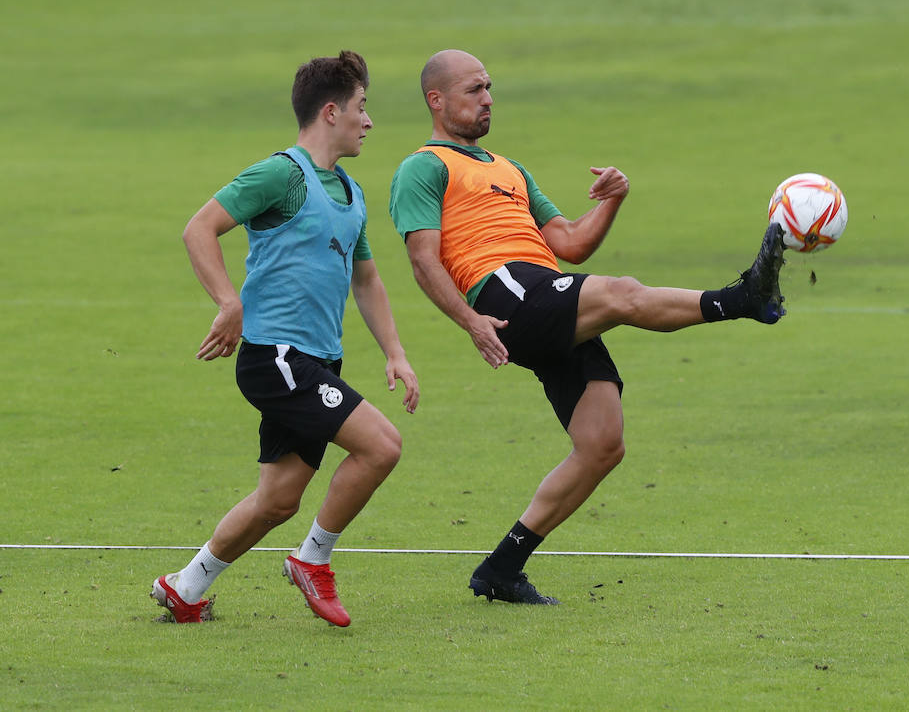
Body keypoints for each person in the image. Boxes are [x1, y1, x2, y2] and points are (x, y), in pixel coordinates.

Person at [389, 49, 785, 605]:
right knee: (622, 292)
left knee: (602, 444)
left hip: (543, 290)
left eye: (489, 88)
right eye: (474, 90)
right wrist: (470, 322)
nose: (487, 99)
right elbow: (423, 261)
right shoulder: (422, 168)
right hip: (506, 292)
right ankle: (742, 299)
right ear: (437, 100)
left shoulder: (510, 169)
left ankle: (502, 569)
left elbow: (570, 242)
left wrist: (614, 200)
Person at [151, 50, 419, 626]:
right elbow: (199, 228)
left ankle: (186, 586)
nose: (369, 121)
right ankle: (312, 559)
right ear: (330, 112)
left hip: (319, 361)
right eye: (361, 107)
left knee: (277, 500)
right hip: (277, 359)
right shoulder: (281, 174)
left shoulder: (350, 190)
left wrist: (395, 353)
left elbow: (366, 278)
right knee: (381, 446)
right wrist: (229, 302)